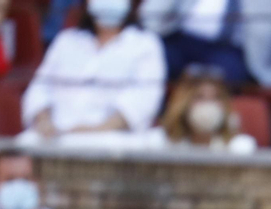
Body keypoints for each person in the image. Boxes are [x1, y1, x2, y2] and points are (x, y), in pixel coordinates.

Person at [22, 0, 166, 143]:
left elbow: (141, 102)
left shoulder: (145, 45)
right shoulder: (66, 41)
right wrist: (44, 122)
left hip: (111, 141)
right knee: (23, 144)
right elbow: (39, 89)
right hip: (53, 137)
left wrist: (91, 131)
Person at [140, 0, 252, 86]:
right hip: (180, 39)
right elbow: (149, 16)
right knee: (157, 61)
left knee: (234, 73)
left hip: (222, 47)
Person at [149, 62, 256, 150]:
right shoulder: (159, 143)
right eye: (199, 97)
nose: (208, 104)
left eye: (216, 98)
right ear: (183, 103)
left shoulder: (239, 147)